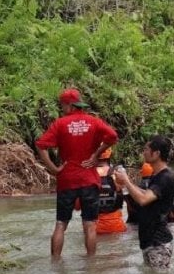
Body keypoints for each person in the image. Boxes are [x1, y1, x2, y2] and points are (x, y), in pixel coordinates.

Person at [35, 88, 118, 258]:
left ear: (69, 105)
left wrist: (53, 168)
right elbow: (113, 137)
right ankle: (91, 264)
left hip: (67, 179)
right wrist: (96, 154)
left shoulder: (60, 124)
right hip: (89, 179)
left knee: (60, 224)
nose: (62, 108)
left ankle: (56, 263)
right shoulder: (94, 121)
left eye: (62, 105)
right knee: (90, 225)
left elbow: (41, 145)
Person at [114, 136, 174, 270]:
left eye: (146, 149)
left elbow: (143, 200)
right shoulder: (157, 175)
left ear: (157, 153)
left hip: (158, 242)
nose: (144, 153)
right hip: (150, 240)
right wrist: (128, 185)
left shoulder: (165, 177)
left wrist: (126, 181)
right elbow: (146, 194)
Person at [95, 148, 126, 234]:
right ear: (109, 156)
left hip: (95, 227)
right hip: (117, 226)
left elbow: (78, 206)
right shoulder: (117, 173)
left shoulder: (88, 174)